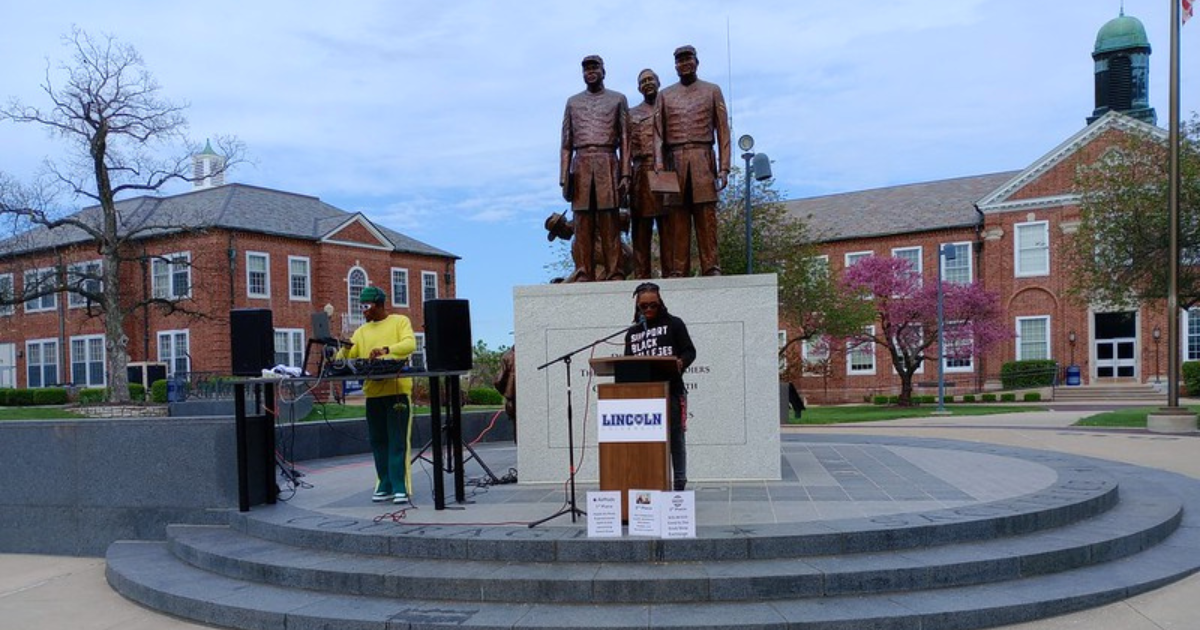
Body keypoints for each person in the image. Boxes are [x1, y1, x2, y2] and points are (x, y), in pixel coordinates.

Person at [655, 45, 732, 277]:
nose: (684, 64)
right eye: (679, 60)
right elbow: (658, 134)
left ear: (697, 62)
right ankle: (680, 269)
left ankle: (711, 266)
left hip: (702, 157)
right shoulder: (665, 95)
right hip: (674, 161)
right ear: (675, 65)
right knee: (677, 219)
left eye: (688, 59)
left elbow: (723, 131)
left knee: (706, 217)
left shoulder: (712, 90)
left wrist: (724, 167)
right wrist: (658, 166)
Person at [337, 286, 417, 504]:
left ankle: (400, 486)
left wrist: (385, 350)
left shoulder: (399, 321)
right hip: (373, 394)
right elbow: (343, 357)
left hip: (397, 391)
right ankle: (384, 483)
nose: (363, 311)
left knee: (397, 440)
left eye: (366, 306)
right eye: (360, 306)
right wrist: (343, 346)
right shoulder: (361, 331)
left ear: (379, 304)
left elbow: (410, 343)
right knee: (378, 440)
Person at [560, 54, 630, 282]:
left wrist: (626, 173)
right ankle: (583, 271)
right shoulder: (573, 102)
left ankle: (615, 271)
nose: (590, 72)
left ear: (603, 71)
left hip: (608, 160)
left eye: (594, 67)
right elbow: (566, 144)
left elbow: (626, 139)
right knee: (582, 222)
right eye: (586, 68)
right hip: (580, 163)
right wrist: (564, 177)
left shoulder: (618, 99)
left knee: (609, 220)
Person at [624, 282, 696, 491]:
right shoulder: (632, 332)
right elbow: (628, 362)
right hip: (642, 396)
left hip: (671, 391)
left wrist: (682, 362)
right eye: (643, 306)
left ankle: (679, 483)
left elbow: (690, 351)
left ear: (661, 303)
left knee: (675, 438)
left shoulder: (675, 324)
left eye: (653, 305)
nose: (648, 310)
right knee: (646, 442)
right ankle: (649, 482)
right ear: (637, 307)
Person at [628, 68, 670, 279]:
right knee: (641, 229)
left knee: (668, 226)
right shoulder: (631, 113)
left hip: (666, 172)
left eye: (650, 79)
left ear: (659, 81)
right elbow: (624, 148)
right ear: (638, 87)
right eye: (643, 81)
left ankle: (672, 273)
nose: (647, 83)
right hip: (640, 172)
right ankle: (642, 275)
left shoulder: (669, 107)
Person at [493, 345, 517, 443]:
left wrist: (506, 393)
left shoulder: (507, 356)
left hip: (513, 398)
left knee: (517, 428)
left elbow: (499, 381)